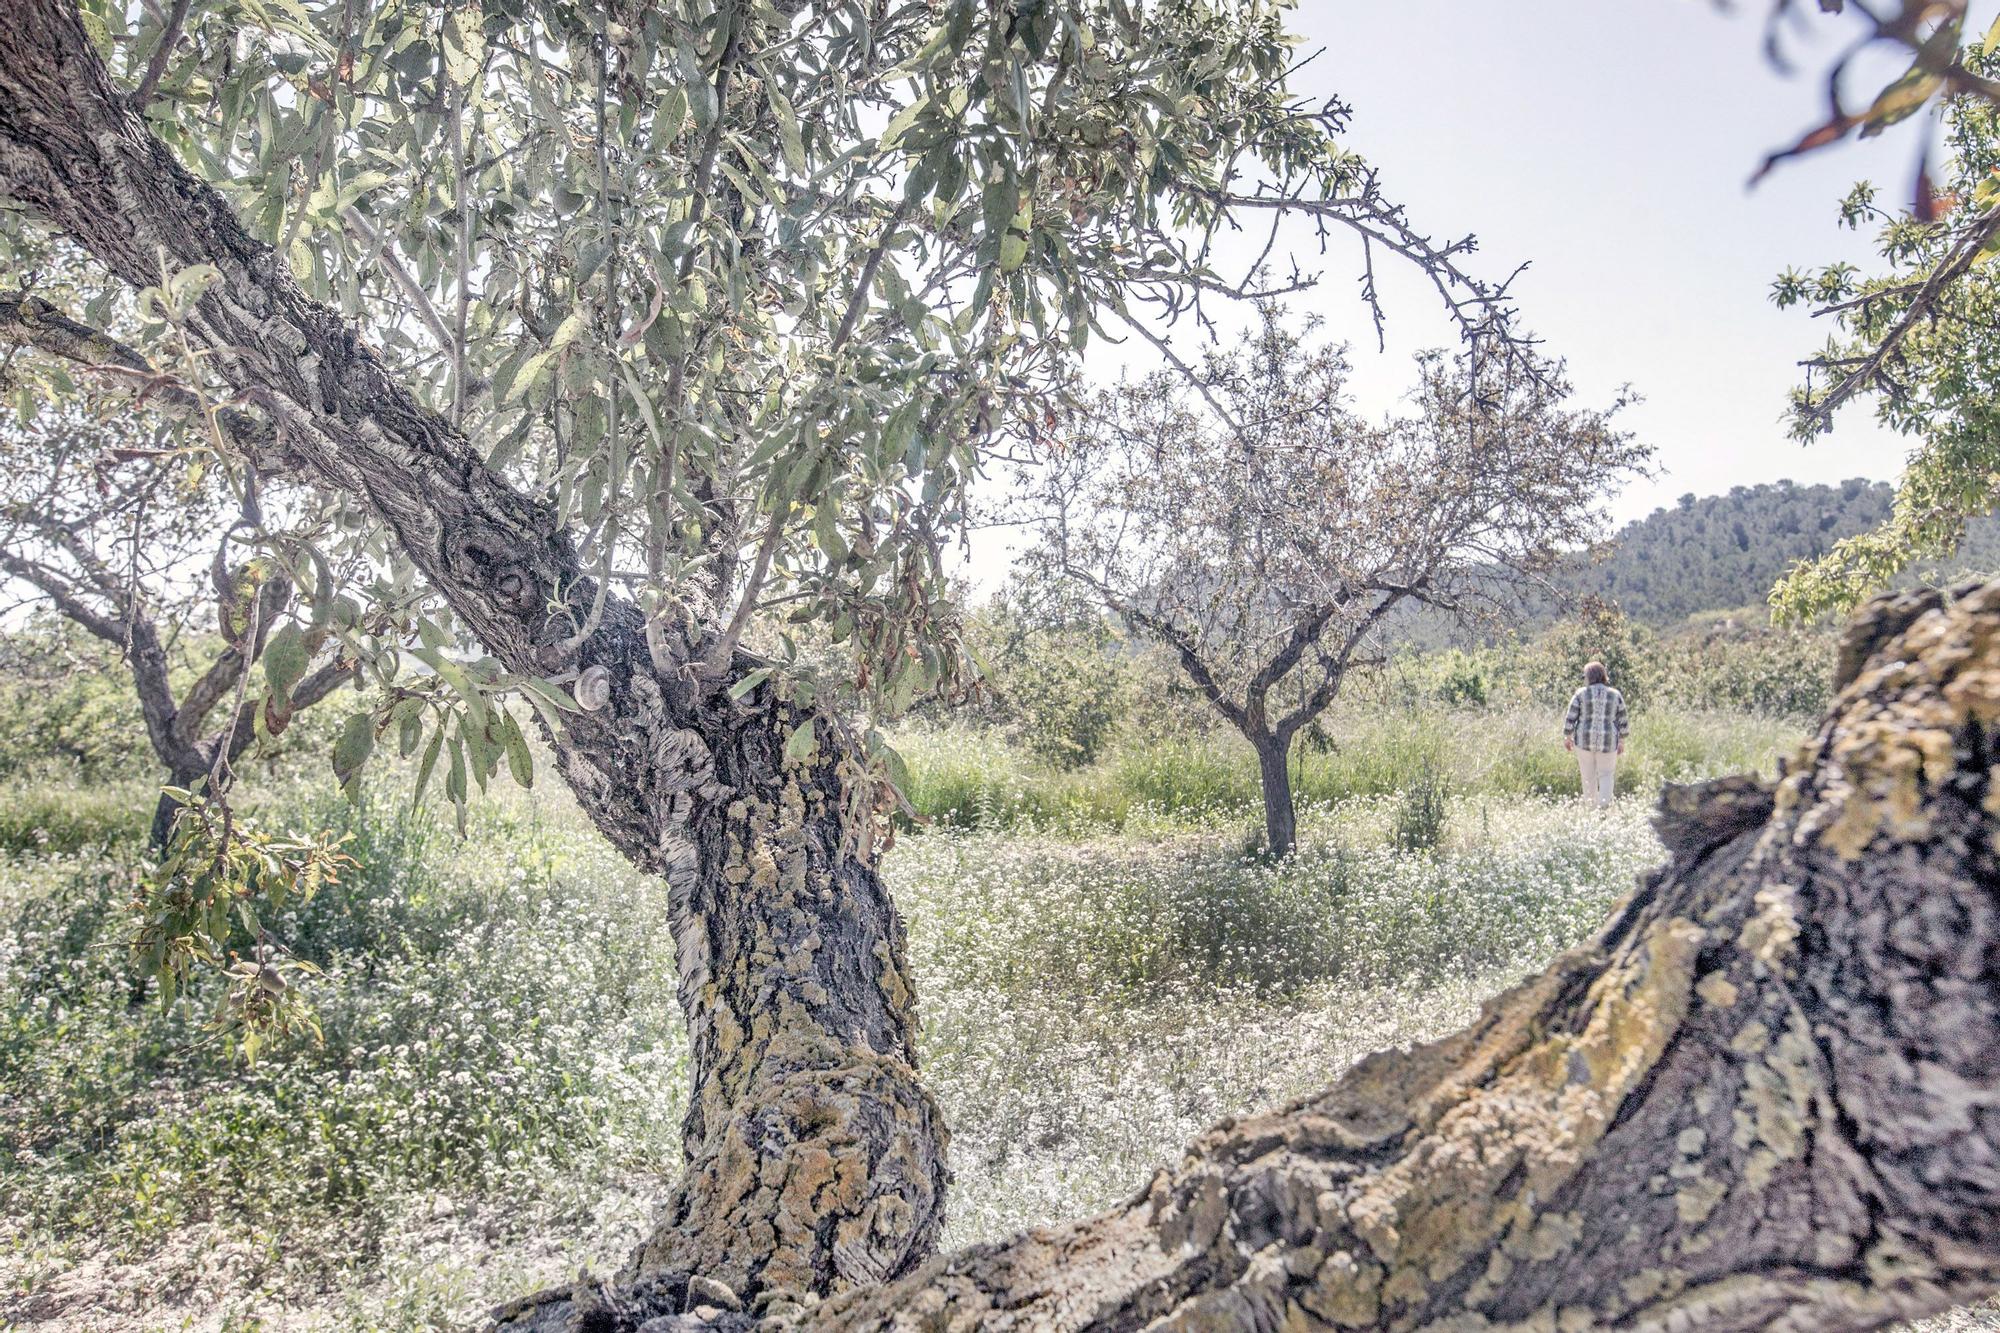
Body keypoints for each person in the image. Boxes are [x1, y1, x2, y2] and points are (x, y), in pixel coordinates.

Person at [1563, 661, 1628, 809]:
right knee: (1606, 775)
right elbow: (1623, 719)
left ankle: (1591, 808)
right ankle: (1603, 808)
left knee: (1588, 776)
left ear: (1589, 677)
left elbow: (1571, 716)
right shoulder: (1615, 694)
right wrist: (1622, 740)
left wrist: (1567, 736)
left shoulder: (1580, 694)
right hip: (1608, 741)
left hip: (1584, 741)